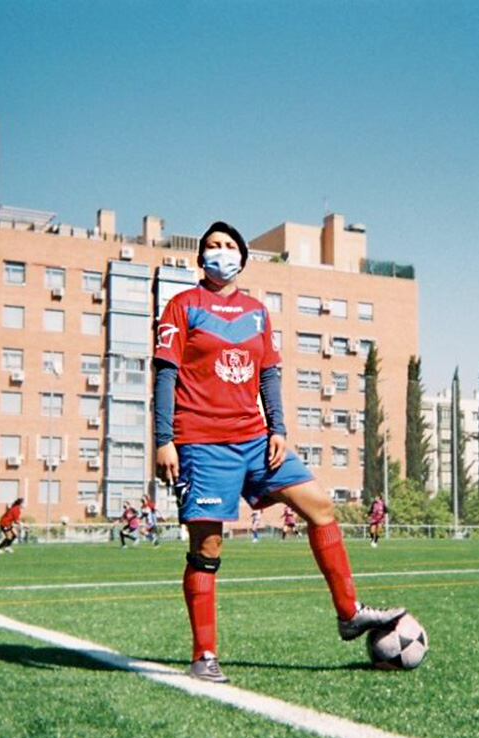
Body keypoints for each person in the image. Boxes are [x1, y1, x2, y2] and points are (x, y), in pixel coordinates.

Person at [153, 220, 405, 683]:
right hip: (203, 443)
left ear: (242, 259)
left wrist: (279, 428)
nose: (220, 253)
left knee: (320, 506)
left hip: (255, 438)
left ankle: (349, 613)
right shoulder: (182, 306)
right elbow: (166, 373)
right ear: (200, 258)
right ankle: (203, 655)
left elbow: (268, 373)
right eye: (212, 246)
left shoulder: (257, 312)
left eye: (229, 246)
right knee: (207, 548)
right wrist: (164, 439)